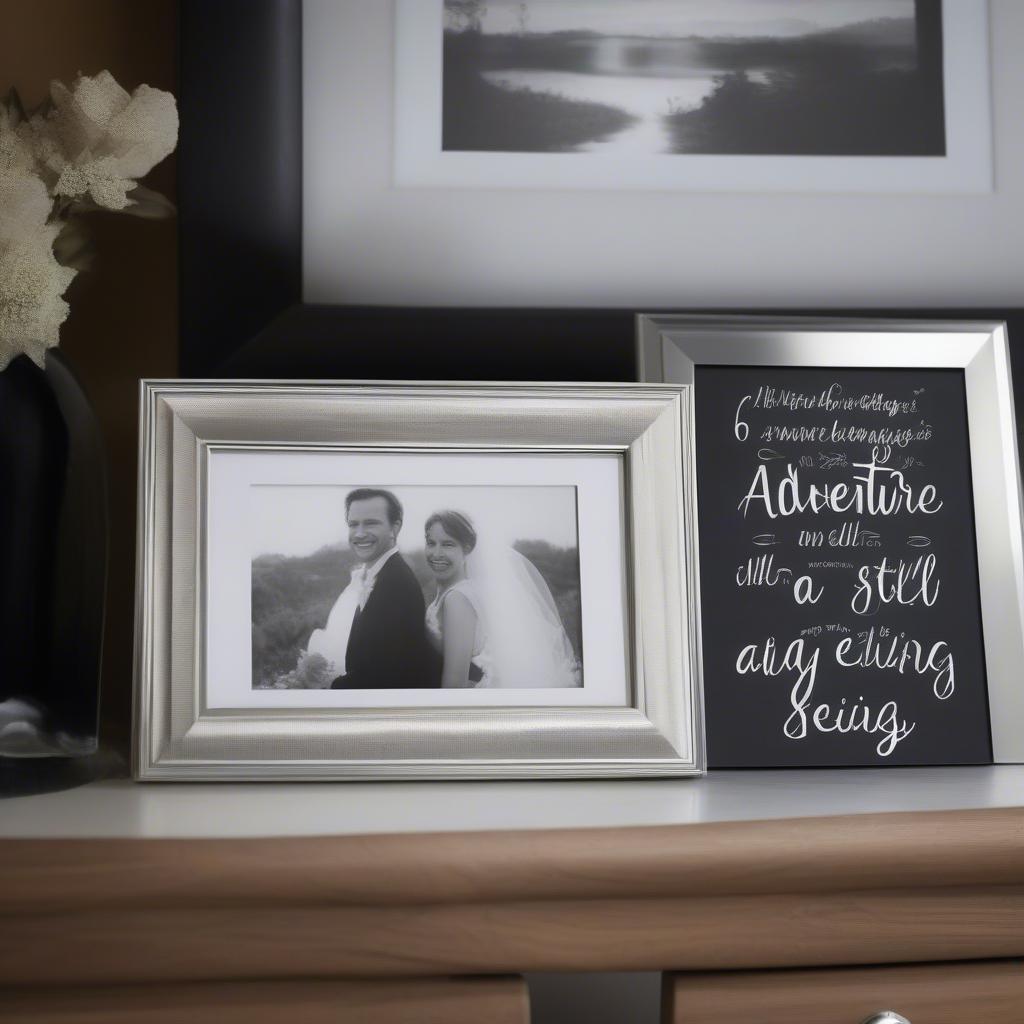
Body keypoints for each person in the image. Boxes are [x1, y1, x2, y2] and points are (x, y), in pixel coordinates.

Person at [423, 510, 582, 689]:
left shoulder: (458, 598)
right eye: (431, 543)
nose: (436, 553)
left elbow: (454, 682)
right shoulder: (468, 591)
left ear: (467, 549)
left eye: (448, 544)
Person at [308, 488, 439, 689]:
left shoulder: (397, 585)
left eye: (371, 523)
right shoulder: (379, 574)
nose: (359, 533)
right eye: (353, 524)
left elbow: (381, 676)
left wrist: (325, 691)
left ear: (395, 528)